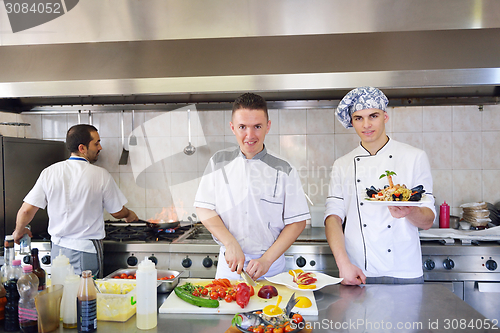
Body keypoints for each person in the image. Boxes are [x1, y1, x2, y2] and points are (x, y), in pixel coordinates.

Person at [324, 86, 435, 285]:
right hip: (358, 270)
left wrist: (409, 211)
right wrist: (343, 265)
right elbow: (333, 217)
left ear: (385, 116)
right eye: (359, 118)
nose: (366, 125)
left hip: (405, 269)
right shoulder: (342, 164)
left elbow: (427, 220)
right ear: (352, 122)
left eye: (373, 116)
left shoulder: (414, 157)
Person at [194, 93, 310, 280]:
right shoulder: (218, 163)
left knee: (272, 310)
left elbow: (297, 222)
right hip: (229, 269)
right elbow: (204, 208)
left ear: (268, 126)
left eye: (257, 126)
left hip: (271, 269)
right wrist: (230, 243)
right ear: (232, 128)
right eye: (242, 127)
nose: (250, 135)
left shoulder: (284, 170)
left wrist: (266, 260)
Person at [12, 124, 138, 277]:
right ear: (82, 148)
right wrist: (129, 214)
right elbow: (117, 212)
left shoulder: (50, 172)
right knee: (87, 297)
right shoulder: (100, 175)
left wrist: (18, 232)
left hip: (58, 251)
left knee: (63, 297)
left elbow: (26, 210)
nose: (100, 147)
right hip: (86, 251)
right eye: (96, 143)